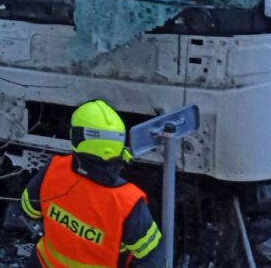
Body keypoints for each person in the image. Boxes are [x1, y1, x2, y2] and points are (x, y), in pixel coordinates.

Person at [21, 99, 166, 268]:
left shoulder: (54, 169)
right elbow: (153, 260)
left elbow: (28, 209)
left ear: (76, 138)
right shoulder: (127, 202)